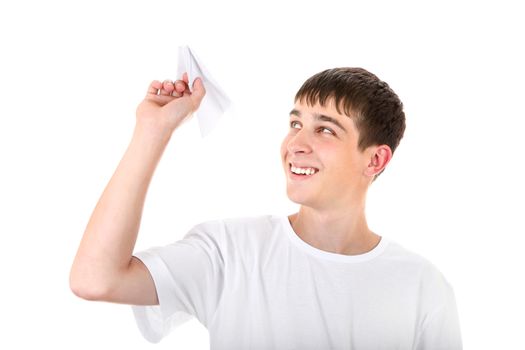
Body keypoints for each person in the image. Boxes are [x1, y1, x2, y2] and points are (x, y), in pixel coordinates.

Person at [70, 68, 462, 349]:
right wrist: (152, 131)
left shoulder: (423, 287)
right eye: (295, 124)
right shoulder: (229, 251)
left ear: (374, 161)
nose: (296, 144)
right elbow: (94, 279)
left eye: (325, 129)